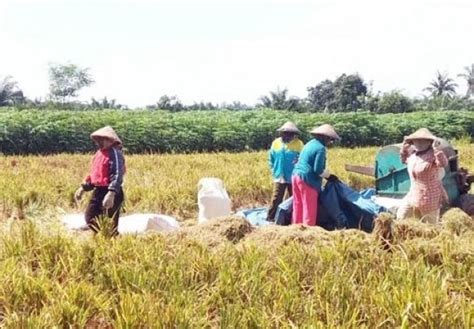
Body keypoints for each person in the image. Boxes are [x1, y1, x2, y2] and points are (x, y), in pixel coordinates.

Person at [74, 126, 125, 236]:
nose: (101, 142)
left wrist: (111, 193)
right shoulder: (99, 154)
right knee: (90, 217)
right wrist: (83, 188)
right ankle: (103, 235)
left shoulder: (115, 153)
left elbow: (117, 174)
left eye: (105, 139)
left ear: (111, 140)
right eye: (100, 139)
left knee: (109, 223)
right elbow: (95, 175)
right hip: (99, 190)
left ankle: (111, 241)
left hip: (111, 191)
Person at [396, 128, 448, 224]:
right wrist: (403, 150)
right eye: (417, 140)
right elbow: (405, 161)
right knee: (401, 216)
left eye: (423, 140)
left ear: (429, 142)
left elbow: (443, 164)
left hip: (429, 196)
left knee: (429, 226)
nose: (419, 143)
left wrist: (437, 150)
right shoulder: (414, 156)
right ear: (413, 142)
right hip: (413, 193)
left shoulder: (433, 155)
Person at [292, 124, 340, 226]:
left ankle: (296, 227)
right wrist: (329, 177)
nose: (330, 142)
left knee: (298, 204)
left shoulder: (309, 144)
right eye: (330, 140)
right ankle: (309, 231)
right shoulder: (320, 148)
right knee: (309, 207)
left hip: (296, 175)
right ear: (325, 137)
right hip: (307, 179)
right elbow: (317, 169)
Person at [267, 121, 304, 222]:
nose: (287, 135)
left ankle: (291, 218)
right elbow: (271, 157)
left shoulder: (299, 144)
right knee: (276, 198)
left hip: (293, 175)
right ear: (282, 133)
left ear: (294, 134)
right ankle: (271, 218)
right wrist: (273, 169)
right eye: (285, 133)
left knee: (293, 198)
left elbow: (302, 159)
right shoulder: (276, 143)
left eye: (290, 133)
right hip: (279, 174)